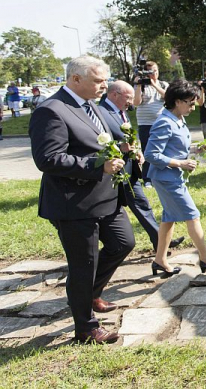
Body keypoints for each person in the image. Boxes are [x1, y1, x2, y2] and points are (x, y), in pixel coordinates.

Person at [29, 56, 135, 344]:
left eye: (105, 80)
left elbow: (95, 141)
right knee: (83, 264)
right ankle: (86, 328)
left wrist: (121, 148)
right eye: (98, 81)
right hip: (73, 203)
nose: (105, 85)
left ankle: (89, 292)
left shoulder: (92, 105)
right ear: (76, 79)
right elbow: (48, 159)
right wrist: (96, 166)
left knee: (123, 243)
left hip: (105, 197)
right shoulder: (51, 110)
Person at [145, 79, 206, 277]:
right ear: (177, 101)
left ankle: (160, 260)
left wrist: (195, 150)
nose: (193, 106)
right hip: (166, 178)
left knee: (168, 218)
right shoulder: (164, 122)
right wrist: (180, 163)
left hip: (172, 176)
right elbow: (151, 154)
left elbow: (174, 147)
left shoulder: (178, 119)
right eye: (190, 103)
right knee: (192, 215)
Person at [99, 81, 185, 252]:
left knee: (141, 203)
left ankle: (160, 242)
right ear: (114, 94)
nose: (131, 101)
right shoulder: (102, 112)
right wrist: (118, 147)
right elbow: (99, 139)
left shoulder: (120, 111)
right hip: (111, 173)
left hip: (129, 169)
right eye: (128, 97)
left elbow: (127, 135)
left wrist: (136, 150)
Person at [133, 61, 169, 186]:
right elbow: (136, 102)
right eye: (150, 71)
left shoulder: (163, 84)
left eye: (155, 71)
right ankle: (147, 178)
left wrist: (154, 85)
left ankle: (161, 175)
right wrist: (138, 85)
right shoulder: (141, 85)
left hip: (160, 122)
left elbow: (168, 97)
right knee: (147, 150)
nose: (153, 74)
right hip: (145, 123)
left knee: (162, 149)